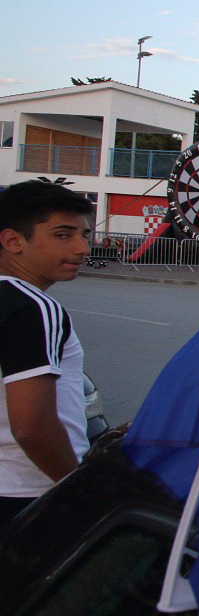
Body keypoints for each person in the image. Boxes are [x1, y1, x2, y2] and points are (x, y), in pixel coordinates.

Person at [0, 181, 94, 529]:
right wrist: (76, 489)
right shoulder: (34, 308)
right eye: (62, 235)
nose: (83, 248)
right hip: (28, 493)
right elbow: (32, 426)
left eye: (84, 234)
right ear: (13, 241)